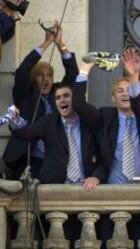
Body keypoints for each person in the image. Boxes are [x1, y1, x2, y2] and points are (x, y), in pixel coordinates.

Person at [2, 20, 79, 179]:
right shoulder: (25, 93)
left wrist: (60, 44)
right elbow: (23, 70)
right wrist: (46, 43)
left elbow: (73, 75)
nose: (45, 80)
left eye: (49, 76)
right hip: (25, 159)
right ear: (33, 79)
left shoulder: (59, 94)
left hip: (53, 161)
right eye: (40, 75)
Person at [10, 82, 103, 189]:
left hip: (87, 187)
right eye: (58, 98)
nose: (62, 100)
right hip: (55, 187)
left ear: (76, 99)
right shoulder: (49, 121)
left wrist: (96, 177)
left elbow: (104, 155)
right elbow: (27, 133)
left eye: (66, 96)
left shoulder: (88, 121)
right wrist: (15, 120)